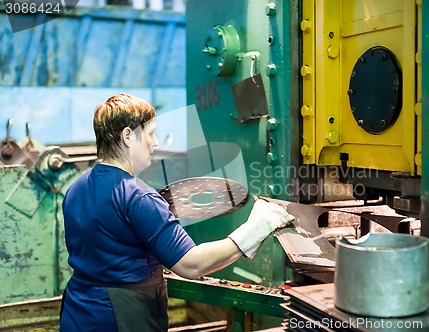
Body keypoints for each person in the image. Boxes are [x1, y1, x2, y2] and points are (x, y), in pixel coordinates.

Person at [59, 93, 294, 332]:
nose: (156, 142)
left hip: (78, 313)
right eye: (150, 133)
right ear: (128, 136)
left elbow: (111, 238)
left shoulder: (75, 189)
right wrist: (256, 228)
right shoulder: (139, 197)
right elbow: (191, 265)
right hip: (121, 318)